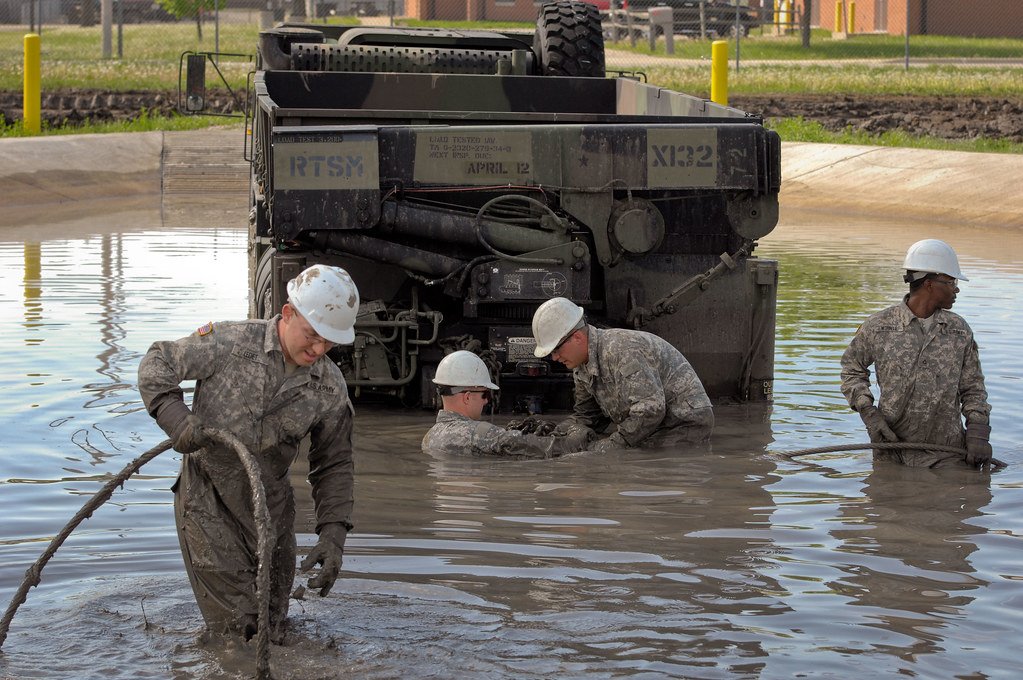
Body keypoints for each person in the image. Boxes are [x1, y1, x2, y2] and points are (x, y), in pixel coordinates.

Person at [137, 264, 360, 642]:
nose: (319, 349)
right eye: (311, 336)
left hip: (272, 506)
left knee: (274, 625)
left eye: (329, 342)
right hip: (209, 498)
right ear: (288, 314)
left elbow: (334, 462)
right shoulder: (228, 342)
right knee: (240, 631)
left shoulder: (330, 388)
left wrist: (333, 534)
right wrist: (179, 421)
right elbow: (156, 363)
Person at [840, 239, 993, 468]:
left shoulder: (959, 330)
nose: (957, 288)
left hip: (947, 453)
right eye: (951, 281)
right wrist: (869, 414)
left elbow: (973, 388)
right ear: (930, 284)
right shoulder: (879, 326)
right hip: (891, 450)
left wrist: (978, 432)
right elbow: (852, 369)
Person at [531, 297, 714, 452]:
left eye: (556, 349)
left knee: (622, 457)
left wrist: (613, 445)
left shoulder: (621, 349)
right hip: (651, 425)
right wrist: (555, 431)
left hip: (682, 423)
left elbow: (650, 410)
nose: (554, 357)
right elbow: (588, 417)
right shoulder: (581, 366)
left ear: (577, 338)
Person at [421, 350, 594, 458]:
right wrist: (579, 438)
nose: (487, 401)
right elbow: (543, 450)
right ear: (467, 397)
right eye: (485, 394)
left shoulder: (429, 438)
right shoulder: (478, 432)